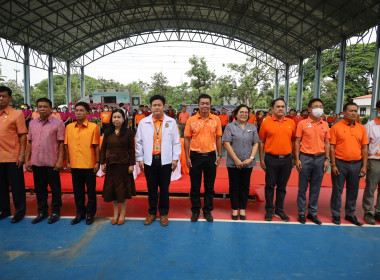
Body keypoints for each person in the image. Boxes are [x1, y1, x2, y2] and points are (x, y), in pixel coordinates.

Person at [136, 95, 181, 226]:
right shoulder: (144, 122)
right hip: (150, 160)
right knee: (151, 188)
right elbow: (138, 142)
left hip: (165, 161)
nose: (157, 107)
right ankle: (151, 212)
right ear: (150, 107)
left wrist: (175, 158)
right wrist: (140, 158)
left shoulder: (171, 122)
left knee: (164, 189)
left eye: (159, 105)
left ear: (164, 107)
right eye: (154, 105)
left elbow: (176, 142)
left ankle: (163, 213)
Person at [25, 98, 65, 224]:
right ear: (37, 108)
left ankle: (55, 212)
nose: (42, 108)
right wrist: (27, 160)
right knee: (40, 189)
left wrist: (60, 161)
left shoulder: (58, 123)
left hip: (52, 162)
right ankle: (42, 212)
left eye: (45, 106)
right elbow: (29, 143)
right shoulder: (32, 123)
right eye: (40, 106)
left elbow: (61, 144)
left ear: (51, 108)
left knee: (55, 189)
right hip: (37, 162)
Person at [184, 94, 223, 223]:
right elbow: (187, 139)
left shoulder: (216, 119)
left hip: (211, 156)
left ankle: (207, 211)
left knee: (209, 186)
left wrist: (219, 154)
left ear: (210, 105)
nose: (205, 106)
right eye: (202, 103)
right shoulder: (191, 120)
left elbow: (218, 138)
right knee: (195, 186)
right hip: (195, 156)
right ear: (198, 105)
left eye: (207, 103)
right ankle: (195, 211)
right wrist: (187, 156)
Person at [330, 102, 368, 226]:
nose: (354, 113)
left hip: (356, 164)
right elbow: (332, 147)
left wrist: (364, 165)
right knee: (337, 190)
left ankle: (350, 214)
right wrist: (333, 164)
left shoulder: (361, 128)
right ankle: (336, 214)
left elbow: (364, 148)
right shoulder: (336, 127)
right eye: (351, 111)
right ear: (344, 113)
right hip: (340, 163)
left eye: (355, 111)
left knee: (353, 191)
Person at [259, 98, 296, 222]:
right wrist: (261, 159)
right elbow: (262, 141)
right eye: (278, 106)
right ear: (272, 109)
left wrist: (295, 157)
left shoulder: (291, 122)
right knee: (269, 186)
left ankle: (279, 210)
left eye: (283, 106)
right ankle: (269, 210)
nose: (280, 109)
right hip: (271, 159)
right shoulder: (266, 122)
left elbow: (293, 140)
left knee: (282, 187)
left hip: (286, 159)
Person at [295, 98, 330, 225]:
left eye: (320, 106)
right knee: (302, 188)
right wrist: (297, 158)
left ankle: (312, 213)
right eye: (316, 106)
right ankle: (301, 213)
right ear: (309, 109)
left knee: (316, 188)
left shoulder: (325, 124)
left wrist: (327, 159)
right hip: (305, 158)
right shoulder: (302, 123)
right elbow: (297, 142)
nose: (319, 108)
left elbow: (327, 143)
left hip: (320, 159)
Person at [65, 102, 100, 225]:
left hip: (89, 164)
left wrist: (97, 162)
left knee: (91, 191)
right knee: (77, 191)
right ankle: (80, 213)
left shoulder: (93, 127)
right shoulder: (69, 127)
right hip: (75, 164)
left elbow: (96, 146)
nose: (78, 112)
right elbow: (67, 146)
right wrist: (68, 162)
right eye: (76, 110)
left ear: (87, 113)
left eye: (81, 110)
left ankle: (90, 214)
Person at [223, 105, 259, 220]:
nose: (244, 114)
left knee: (245, 186)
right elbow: (226, 143)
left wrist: (252, 158)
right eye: (241, 112)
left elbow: (255, 143)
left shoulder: (252, 127)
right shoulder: (230, 127)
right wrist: (237, 160)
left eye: (246, 112)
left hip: (248, 163)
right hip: (233, 163)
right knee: (234, 186)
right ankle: (234, 209)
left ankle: (242, 208)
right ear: (236, 114)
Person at [100, 109, 135, 225]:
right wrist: (102, 163)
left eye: (119, 117)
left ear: (123, 119)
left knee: (122, 191)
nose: (116, 119)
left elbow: (131, 150)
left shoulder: (129, 132)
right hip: (111, 165)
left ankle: (123, 214)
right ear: (111, 119)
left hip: (124, 165)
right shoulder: (107, 132)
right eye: (114, 117)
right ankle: (115, 214)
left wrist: (131, 164)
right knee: (113, 191)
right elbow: (103, 148)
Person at [0, 86, 28, 223]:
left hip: (12, 156)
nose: (1, 99)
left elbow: (23, 136)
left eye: (4, 96)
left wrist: (22, 154)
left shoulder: (17, 114)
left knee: (17, 187)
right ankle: (4, 210)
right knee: (1, 187)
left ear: (9, 98)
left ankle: (20, 211)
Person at [362, 100, 380, 225]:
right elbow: (365, 145)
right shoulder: (370, 125)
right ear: (379, 110)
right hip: (374, 161)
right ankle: (368, 211)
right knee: (371, 187)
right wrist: (365, 162)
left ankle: (378, 211)